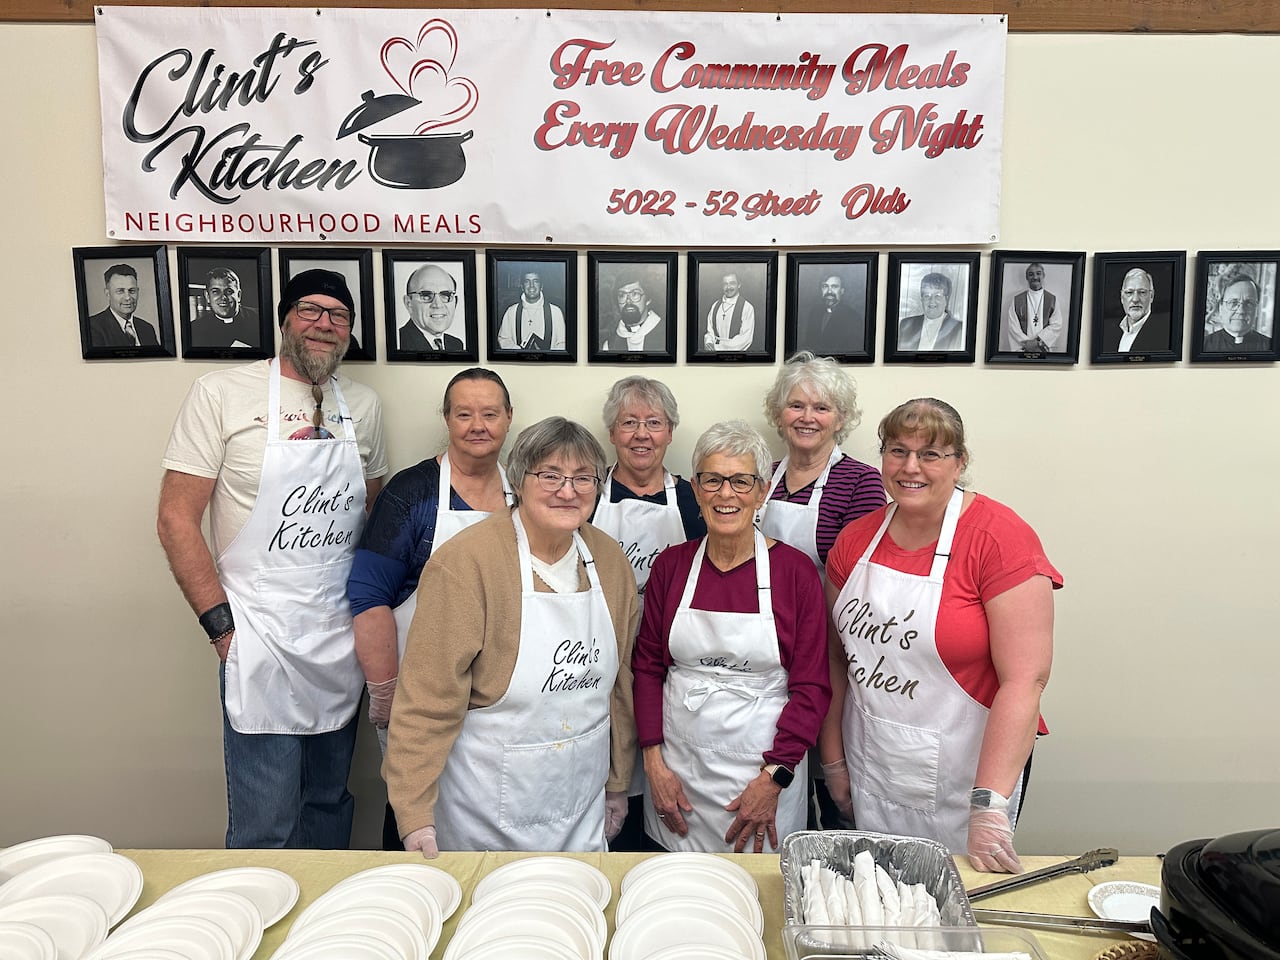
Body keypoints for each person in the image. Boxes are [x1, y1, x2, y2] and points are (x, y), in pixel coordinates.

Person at [157, 268, 388, 849]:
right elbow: (176, 519)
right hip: (256, 635)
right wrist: (223, 631)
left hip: (339, 638)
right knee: (266, 822)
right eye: (310, 310)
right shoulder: (220, 392)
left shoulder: (363, 405)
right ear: (284, 319)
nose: (324, 324)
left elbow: (372, 515)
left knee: (329, 802)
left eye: (338, 315)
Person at [820, 398, 1060, 873]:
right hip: (874, 759)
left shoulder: (999, 539)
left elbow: (1026, 680)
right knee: (878, 889)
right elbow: (835, 661)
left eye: (931, 454)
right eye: (897, 451)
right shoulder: (855, 540)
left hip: (966, 772)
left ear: (960, 461)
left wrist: (988, 806)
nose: (911, 467)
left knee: (958, 900)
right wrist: (833, 761)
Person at [385, 417, 638, 856]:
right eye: (550, 475)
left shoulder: (610, 561)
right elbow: (426, 702)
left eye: (583, 478)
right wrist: (413, 812)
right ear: (519, 480)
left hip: (581, 807)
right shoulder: (467, 563)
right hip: (484, 814)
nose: (568, 491)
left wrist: (617, 782)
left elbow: (619, 686)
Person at [634, 421, 830, 854]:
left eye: (741, 481)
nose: (726, 494)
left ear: (762, 493)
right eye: (713, 480)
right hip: (676, 775)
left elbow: (812, 687)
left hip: (764, 776)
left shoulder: (794, 573)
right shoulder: (671, 567)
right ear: (696, 488)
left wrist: (774, 778)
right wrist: (653, 764)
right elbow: (646, 668)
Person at [347, 368, 514, 849]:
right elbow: (369, 597)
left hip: (497, 703)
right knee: (415, 815)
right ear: (446, 418)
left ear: (508, 418)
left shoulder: (522, 493)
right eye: (464, 414)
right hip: (420, 696)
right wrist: (385, 692)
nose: (477, 426)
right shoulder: (412, 493)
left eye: (489, 414)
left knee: (484, 816)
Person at [759, 352, 884, 830]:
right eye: (796, 405)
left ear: (842, 418)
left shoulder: (860, 483)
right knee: (776, 779)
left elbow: (864, 583)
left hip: (833, 660)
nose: (807, 417)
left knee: (835, 795)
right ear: (778, 413)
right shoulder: (760, 478)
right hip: (767, 658)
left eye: (822, 407)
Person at [590, 376, 706, 850]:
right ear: (611, 432)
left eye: (654, 423)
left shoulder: (695, 502)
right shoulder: (586, 496)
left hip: (670, 667)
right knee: (606, 789)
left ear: (671, 432)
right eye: (629, 423)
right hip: (596, 663)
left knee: (662, 784)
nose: (642, 434)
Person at [87, 263, 159, 348]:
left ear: (137, 291)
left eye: (132, 291)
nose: (128, 297)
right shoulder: (92, 327)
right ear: (108, 294)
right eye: (120, 291)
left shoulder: (147, 329)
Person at [398, 263, 465, 352]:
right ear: (408, 303)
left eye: (446, 295)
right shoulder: (399, 342)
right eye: (426, 295)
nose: (438, 305)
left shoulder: (456, 344)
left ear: (455, 302)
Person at [1102, 267, 1168, 353]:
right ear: (1122, 297)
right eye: (1129, 292)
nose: (1135, 299)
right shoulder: (1108, 332)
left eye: (1142, 292)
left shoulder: (1164, 333)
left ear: (1151, 296)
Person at [496, 270, 566, 351]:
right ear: (522, 287)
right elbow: (504, 339)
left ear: (541, 286)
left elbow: (562, 342)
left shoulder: (555, 312)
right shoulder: (511, 311)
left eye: (535, 281)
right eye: (527, 281)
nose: (531, 286)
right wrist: (521, 352)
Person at [190, 267, 259, 348]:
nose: (223, 297)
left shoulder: (259, 319)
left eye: (229, 291)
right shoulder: (194, 329)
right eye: (216, 291)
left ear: (239, 295)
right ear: (207, 296)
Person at [1004, 263, 1064, 352]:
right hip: (1023, 350)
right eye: (1031, 274)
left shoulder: (1052, 299)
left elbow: (1056, 325)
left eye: (1038, 273)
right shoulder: (1017, 300)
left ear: (1043, 275)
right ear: (1026, 277)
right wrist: (1027, 344)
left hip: (1043, 349)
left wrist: (1038, 342)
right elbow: (1013, 326)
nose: (1035, 277)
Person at [1204, 273, 1272, 352]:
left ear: (1256, 310)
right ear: (1221, 308)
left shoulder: (1271, 347)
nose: (1241, 311)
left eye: (1249, 303)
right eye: (1233, 303)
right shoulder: (1203, 346)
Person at [799, 273, 863, 356]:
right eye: (825, 286)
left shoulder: (853, 318)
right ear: (821, 289)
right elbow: (808, 345)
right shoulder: (814, 313)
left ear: (842, 291)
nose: (829, 291)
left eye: (834, 287)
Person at [898, 272, 964, 351]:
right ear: (922, 299)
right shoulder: (906, 325)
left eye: (937, 296)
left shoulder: (959, 329)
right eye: (927, 296)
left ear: (946, 299)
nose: (932, 301)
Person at [600, 277, 664, 353]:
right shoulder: (610, 346)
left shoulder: (666, 335)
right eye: (622, 295)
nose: (628, 301)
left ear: (648, 300)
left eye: (635, 294)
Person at [704, 272, 756, 352]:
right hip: (714, 354)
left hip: (736, 355)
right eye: (725, 284)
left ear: (739, 285)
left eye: (732, 283)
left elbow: (745, 339)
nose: (728, 287)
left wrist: (717, 347)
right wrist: (709, 343)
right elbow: (710, 331)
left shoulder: (747, 307)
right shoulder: (715, 305)